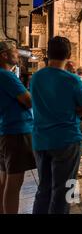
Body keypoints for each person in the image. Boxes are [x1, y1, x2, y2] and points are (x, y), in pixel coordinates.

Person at [31, 36, 82, 214]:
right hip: (66, 139)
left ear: (48, 54)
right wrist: (73, 111)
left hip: (41, 140)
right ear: (69, 54)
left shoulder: (36, 78)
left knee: (44, 188)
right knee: (64, 190)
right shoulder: (72, 80)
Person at [0, 40, 35, 214]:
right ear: (4, 55)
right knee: (14, 182)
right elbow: (28, 100)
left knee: (6, 180)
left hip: (6, 131)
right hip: (16, 132)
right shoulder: (6, 76)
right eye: (14, 52)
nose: (18, 55)